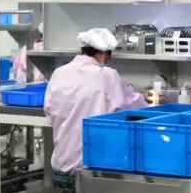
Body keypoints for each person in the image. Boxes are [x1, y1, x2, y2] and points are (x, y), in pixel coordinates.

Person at [44, 27, 147, 175]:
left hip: (61, 162)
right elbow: (133, 106)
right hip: (92, 166)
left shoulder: (59, 73)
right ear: (103, 54)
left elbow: (49, 110)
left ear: (82, 50)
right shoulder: (106, 75)